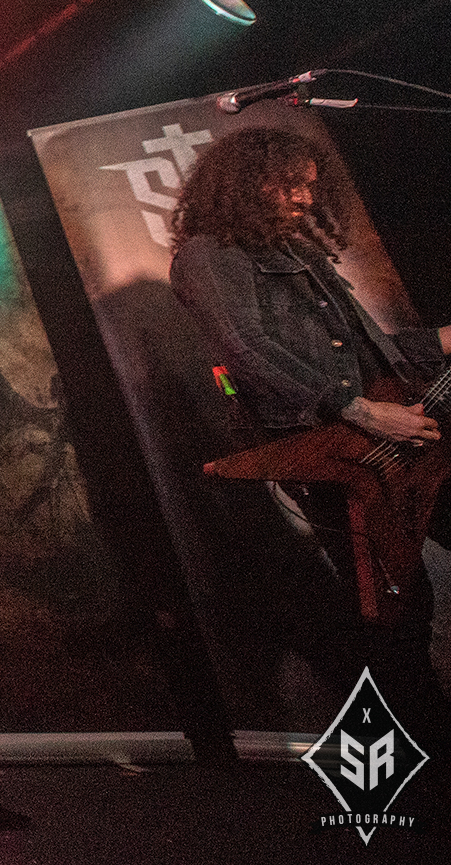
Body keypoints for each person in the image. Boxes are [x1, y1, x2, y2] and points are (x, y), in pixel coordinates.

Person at [168, 125, 451, 743]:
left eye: (308, 186)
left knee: (408, 597)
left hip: (392, 437)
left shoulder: (299, 250)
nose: (303, 198)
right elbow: (247, 349)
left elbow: (369, 349)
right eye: (290, 185)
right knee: (399, 602)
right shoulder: (208, 255)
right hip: (332, 447)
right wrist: (357, 410)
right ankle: (422, 744)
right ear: (247, 183)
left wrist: (439, 341)